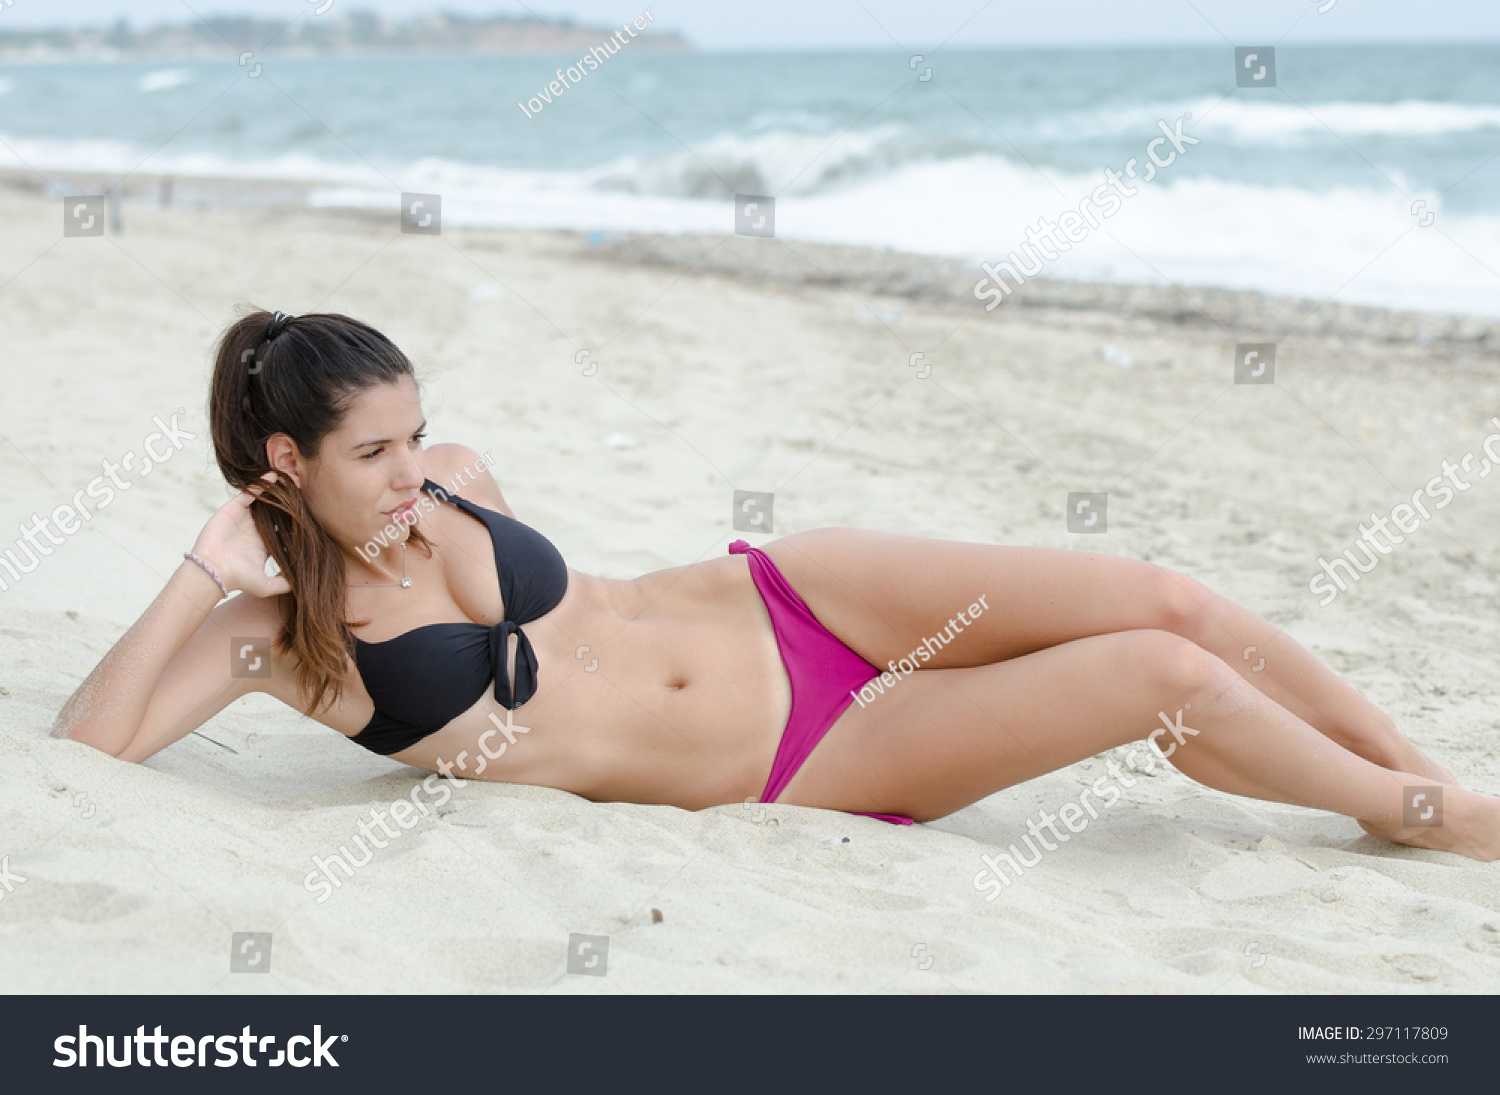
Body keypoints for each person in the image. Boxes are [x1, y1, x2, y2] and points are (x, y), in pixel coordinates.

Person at [53, 310, 1500, 861]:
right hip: (804, 754)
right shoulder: (280, 642)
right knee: (1167, 682)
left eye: (416, 432)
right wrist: (200, 570)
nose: (410, 469)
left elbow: (576, 579)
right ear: (286, 466)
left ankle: (1422, 771)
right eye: (373, 452)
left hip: (789, 598)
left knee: (1167, 598)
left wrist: (430, 472)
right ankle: (1422, 820)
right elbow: (89, 749)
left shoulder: (457, 480)